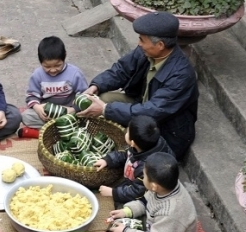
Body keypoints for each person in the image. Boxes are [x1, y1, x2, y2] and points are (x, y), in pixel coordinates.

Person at [77, 11, 199, 160]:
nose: (138, 43)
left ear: (160, 45)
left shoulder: (181, 75)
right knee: (101, 97)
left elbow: (153, 111)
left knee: (131, 145)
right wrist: (96, 86)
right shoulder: (147, 51)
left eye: (142, 40)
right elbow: (121, 70)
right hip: (141, 104)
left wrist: (105, 110)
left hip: (165, 129)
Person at [105, 152, 197, 232]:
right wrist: (127, 211)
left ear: (154, 186)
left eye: (144, 175)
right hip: (155, 225)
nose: (142, 177)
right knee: (118, 219)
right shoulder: (165, 185)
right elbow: (145, 201)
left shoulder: (171, 211)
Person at [94, 115, 174, 209]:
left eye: (128, 132)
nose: (126, 131)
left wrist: (113, 193)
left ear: (132, 143)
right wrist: (108, 159)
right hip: (133, 180)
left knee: (120, 204)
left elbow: (137, 191)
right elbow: (125, 154)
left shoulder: (145, 168)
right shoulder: (147, 144)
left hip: (143, 193)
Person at [19, 36, 88, 138]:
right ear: (40, 61)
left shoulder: (75, 74)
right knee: (26, 117)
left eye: (57, 65)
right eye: (47, 67)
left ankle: (46, 133)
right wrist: (37, 108)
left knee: (86, 118)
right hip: (48, 114)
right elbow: (31, 96)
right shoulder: (37, 75)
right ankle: (62, 131)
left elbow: (85, 96)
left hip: (68, 113)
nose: (52, 70)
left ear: (64, 56)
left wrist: (73, 110)